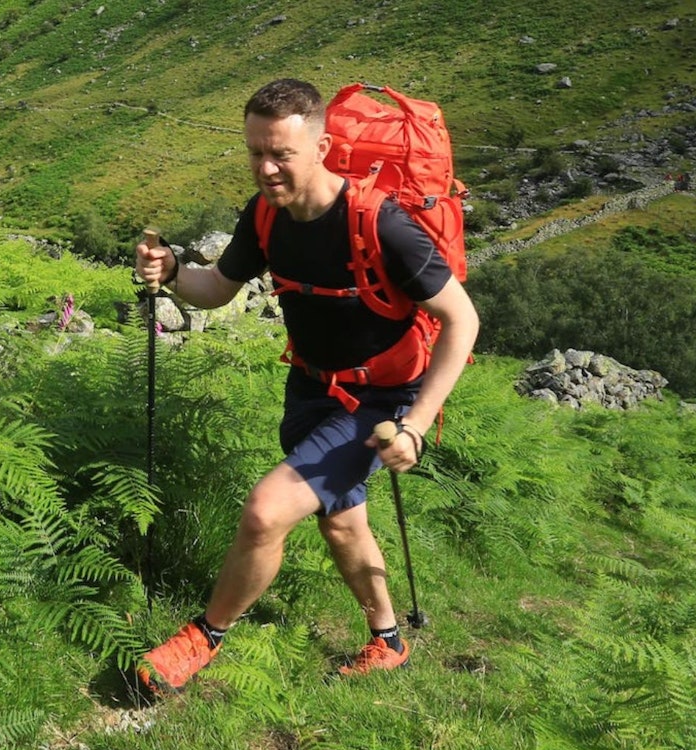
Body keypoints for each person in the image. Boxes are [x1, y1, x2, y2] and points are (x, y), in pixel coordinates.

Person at [132, 78, 479, 695]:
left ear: (321, 146)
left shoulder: (383, 224)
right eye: (255, 152)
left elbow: (463, 320)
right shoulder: (266, 215)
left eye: (281, 154)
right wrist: (175, 271)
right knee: (342, 522)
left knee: (266, 513)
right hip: (310, 388)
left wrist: (416, 427)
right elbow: (216, 291)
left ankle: (201, 639)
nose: (265, 168)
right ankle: (389, 641)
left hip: (380, 402)